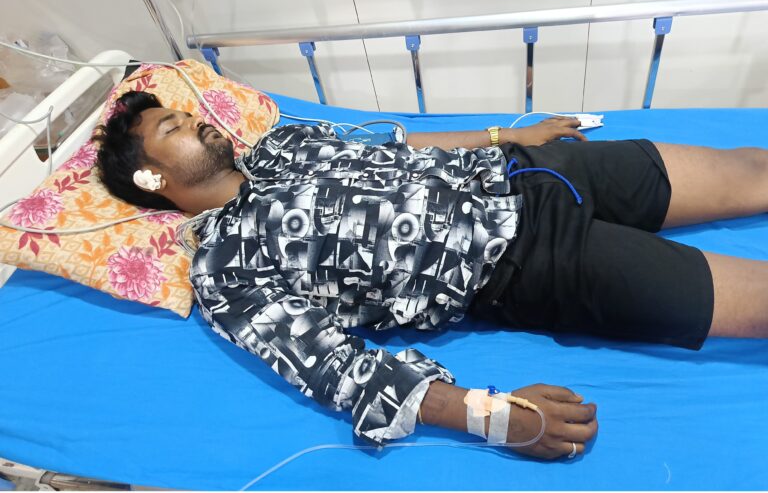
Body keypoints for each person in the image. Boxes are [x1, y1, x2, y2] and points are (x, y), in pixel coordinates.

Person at [95, 90, 768, 461]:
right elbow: (334, 367)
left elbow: (399, 146)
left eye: (190, 114)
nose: (201, 124)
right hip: (523, 262)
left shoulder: (283, 145)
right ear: (151, 178)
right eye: (175, 127)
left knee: (752, 170)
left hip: (537, 171)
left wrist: (510, 136)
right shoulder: (223, 269)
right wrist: (489, 416)